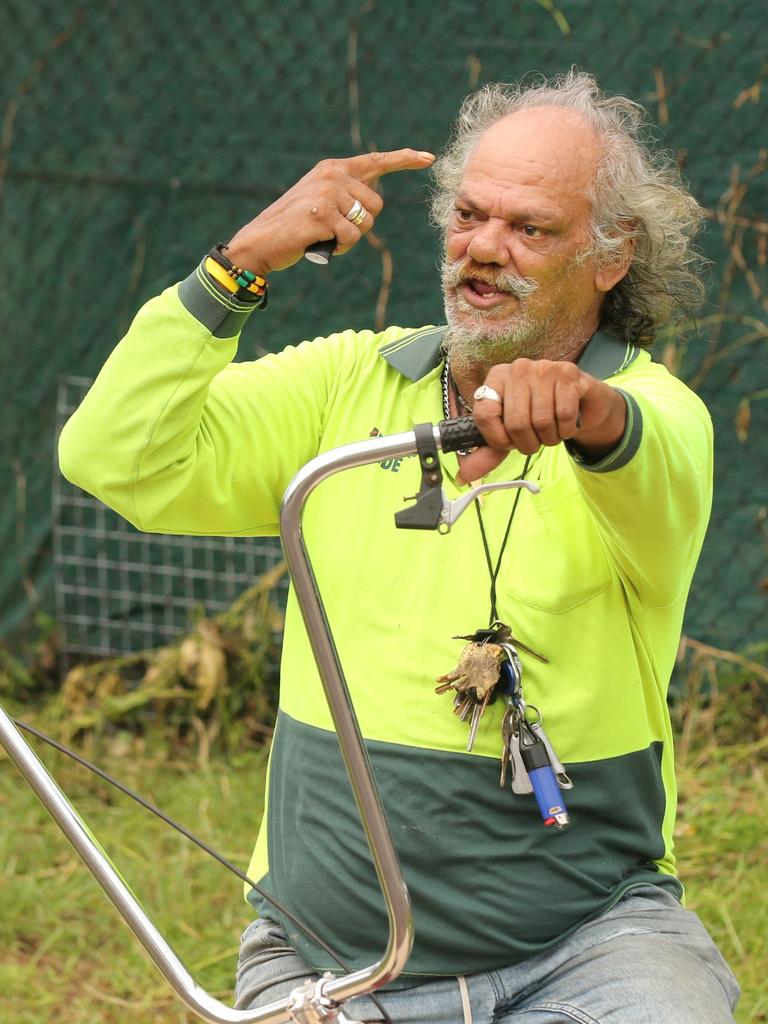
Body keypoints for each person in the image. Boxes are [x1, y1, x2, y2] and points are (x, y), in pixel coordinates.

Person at [59, 71, 740, 1023]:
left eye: (529, 229)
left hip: (588, 947)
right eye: (468, 215)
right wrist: (237, 266)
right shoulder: (346, 385)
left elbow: (643, 447)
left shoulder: (657, 415)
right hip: (334, 961)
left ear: (612, 255)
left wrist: (580, 408)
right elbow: (112, 457)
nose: (483, 251)